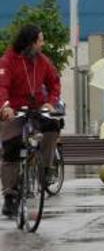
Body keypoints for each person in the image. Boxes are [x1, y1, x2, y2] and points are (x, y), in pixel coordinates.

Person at [0, 25, 62, 218]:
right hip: (15, 111)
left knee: (53, 126)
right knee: (10, 147)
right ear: (30, 42)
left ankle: (45, 167)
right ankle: (10, 194)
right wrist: (5, 106)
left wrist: (51, 103)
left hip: (37, 109)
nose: (42, 44)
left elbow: (54, 82)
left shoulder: (43, 61)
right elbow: (1, 86)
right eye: (40, 40)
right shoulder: (8, 61)